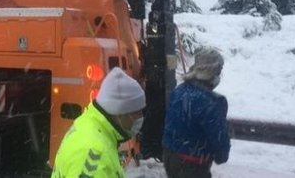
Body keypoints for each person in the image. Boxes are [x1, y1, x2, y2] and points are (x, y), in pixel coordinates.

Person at [51, 67, 146, 178]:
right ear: (119, 112)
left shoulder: (91, 126)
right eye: (136, 112)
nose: (140, 117)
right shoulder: (95, 154)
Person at [162, 47, 230, 178]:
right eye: (219, 72)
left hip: (170, 157)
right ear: (212, 72)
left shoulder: (179, 91)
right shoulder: (212, 103)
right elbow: (221, 150)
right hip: (193, 165)